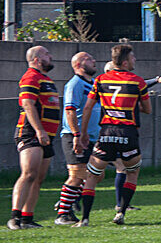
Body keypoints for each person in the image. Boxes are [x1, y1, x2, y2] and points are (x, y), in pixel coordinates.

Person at [73, 44, 151, 227]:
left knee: (92, 176)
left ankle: (85, 219)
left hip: (106, 133)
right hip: (128, 133)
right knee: (132, 172)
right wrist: (131, 106)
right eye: (132, 57)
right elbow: (147, 109)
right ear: (125, 62)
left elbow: (87, 107)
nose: (135, 60)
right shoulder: (138, 82)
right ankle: (121, 212)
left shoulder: (100, 80)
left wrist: (83, 133)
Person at [102, 61, 161, 214]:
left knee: (99, 173)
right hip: (113, 133)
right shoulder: (105, 88)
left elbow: (138, 85)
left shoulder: (109, 89)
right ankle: (120, 205)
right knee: (119, 169)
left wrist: (156, 80)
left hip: (113, 133)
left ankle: (121, 204)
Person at [8, 46, 59, 230]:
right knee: (29, 173)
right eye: (46, 54)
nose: (50, 56)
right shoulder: (31, 77)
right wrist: (39, 130)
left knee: (38, 178)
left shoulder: (46, 79)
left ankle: (27, 218)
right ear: (37, 59)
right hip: (31, 132)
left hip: (46, 135)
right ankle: (15, 217)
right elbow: (28, 104)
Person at [54, 52, 99, 225]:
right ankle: (63, 213)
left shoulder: (93, 83)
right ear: (78, 65)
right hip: (75, 136)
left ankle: (67, 198)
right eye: (89, 59)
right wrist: (76, 135)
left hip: (91, 137)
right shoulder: (75, 84)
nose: (94, 60)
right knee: (78, 174)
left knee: (96, 174)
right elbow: (70, 110)